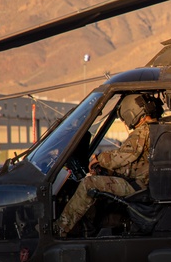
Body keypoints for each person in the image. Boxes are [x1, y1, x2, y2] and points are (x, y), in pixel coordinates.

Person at [55, 94, 159, 237]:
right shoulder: (156, 129)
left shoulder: (143, 131)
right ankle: (90, 229)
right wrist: (109, 171)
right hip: (142, 183)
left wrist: (99, 159)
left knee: (89, 184)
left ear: (131, 112)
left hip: (137, 186)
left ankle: (60, 229)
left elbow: (124, 156)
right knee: (100, 184)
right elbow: (137, 164)